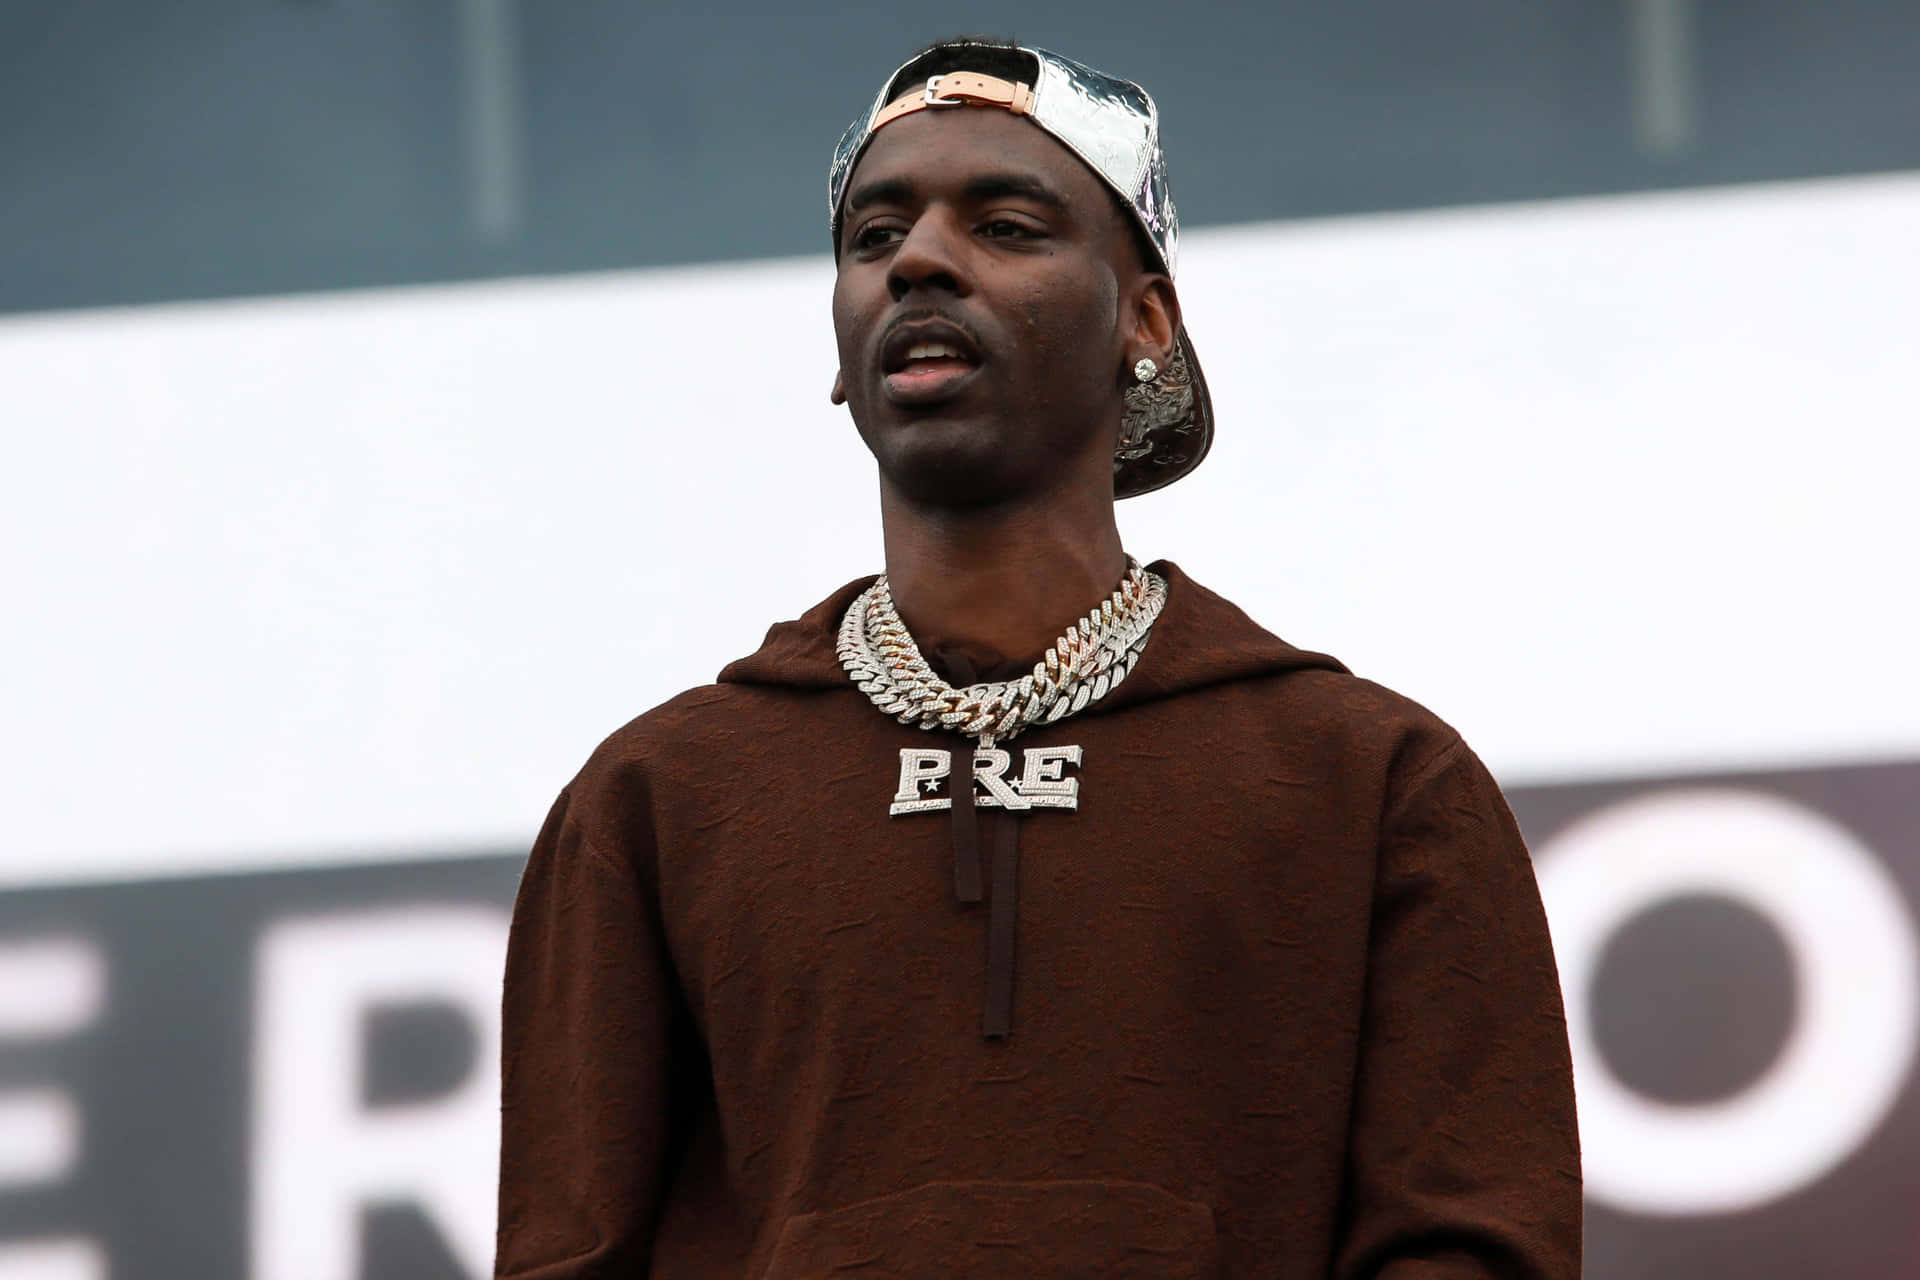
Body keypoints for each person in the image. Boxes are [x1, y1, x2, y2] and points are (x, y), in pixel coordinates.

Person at [495, 37, 1581, 1279]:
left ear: (1146, 321)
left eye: (1006, 226)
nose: (918, 261)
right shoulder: (655, 800)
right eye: (872, 238)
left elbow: (1473, 1247)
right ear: (841, 348)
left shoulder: (1375, 780)